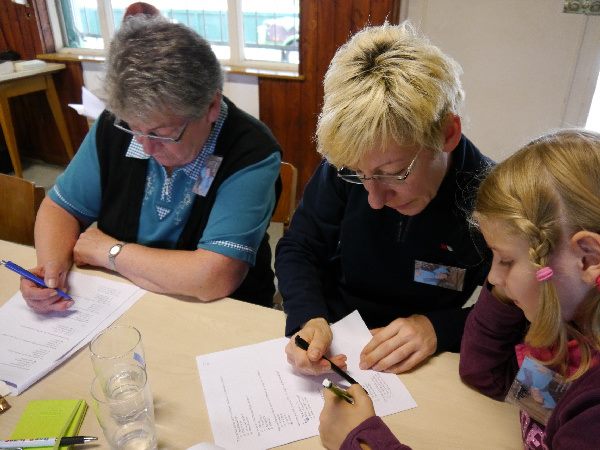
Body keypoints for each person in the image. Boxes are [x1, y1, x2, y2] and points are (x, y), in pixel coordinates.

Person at [318, 129, 600, 449]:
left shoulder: (593, 414)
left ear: (589, 258)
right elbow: (487, 374)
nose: (493, 279)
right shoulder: (569, 338)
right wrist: (511, 284)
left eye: (506, 260)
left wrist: (361, 441)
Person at [21, 16, 282, 313]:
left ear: (210, 106)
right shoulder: (118, 124)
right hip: (120, 297)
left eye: (162, 134)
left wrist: (110, 252)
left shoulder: (251, 152)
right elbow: (61, 208)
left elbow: (214, 277)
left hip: (219, 311)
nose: (145, 146)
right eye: (135, 129)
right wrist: (51, 271)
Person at [276, 21, 492, 376]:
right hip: (337, 334)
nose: (375, 200)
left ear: (447, 134)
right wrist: (308, 316)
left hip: (429, 360)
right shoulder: (349, 162)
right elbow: (299, 246)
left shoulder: (493, 199)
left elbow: (521, 312)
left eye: (394, 173)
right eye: (359, 175)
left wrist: (440, 328)